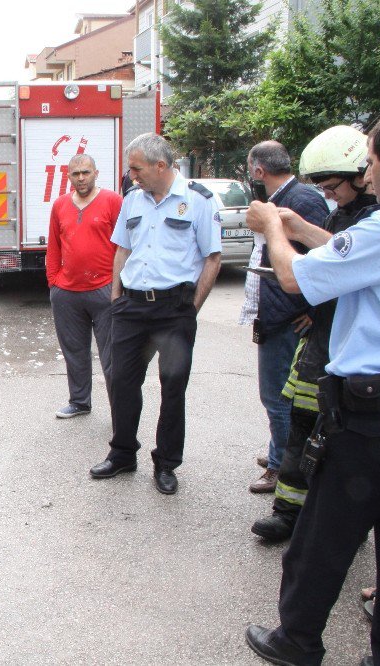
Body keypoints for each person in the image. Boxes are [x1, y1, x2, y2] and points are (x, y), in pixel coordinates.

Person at [244, 110, 380, 666]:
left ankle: (296, 641)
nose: (368, 176)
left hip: (374, 412)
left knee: (324, 534)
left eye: (371, 162)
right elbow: (368, 260)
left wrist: (276, 232)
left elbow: (297, 277)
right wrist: (302, 228)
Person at [250, 126, 378, 542]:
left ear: (359, 173)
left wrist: (288, 228)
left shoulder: (379, 217)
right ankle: (288, 512)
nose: (328, 193)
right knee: (301, 424)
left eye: (332, 185)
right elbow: (328, 261)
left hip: (356, 344)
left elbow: (347, 265)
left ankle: (341, 523)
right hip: (321, 338)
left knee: (342, 438)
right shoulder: (340, 212)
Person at [88, 133, 221, 495]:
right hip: (131, 307)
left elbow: (212, 257)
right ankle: (122, 454)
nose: (132, 175)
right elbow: (122, 250)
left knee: (172, 387)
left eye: (136, 168)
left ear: (160, 166)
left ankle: (166, 463)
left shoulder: (197, 201)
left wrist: (191, 309)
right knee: (122, 382)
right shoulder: (133, 200)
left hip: (173, 309)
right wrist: (116, 298)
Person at [245, 142, 329, 494]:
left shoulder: (303, 200)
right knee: (276, 396)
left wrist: (313, 312)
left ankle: (284, 468)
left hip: (288, 316)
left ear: (258, 171)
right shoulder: (283, 197)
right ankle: (277, 453)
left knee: (279, 398)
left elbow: (325, 263)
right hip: (276, 311)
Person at [47, 154, 123, 418]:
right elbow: (54, 247)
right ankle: (80, 401)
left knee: (112, 355)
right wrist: (54, 282)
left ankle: (120, 409)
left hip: (105, 290)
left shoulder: (113, 201)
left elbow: (125, 245)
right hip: (67, 293)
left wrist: (118, 285)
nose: (81, 178)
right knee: (75, 352)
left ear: (96, 173)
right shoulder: (59, 205)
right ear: (68, 176)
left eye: (86, 172)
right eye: (76, 174)